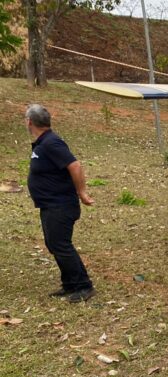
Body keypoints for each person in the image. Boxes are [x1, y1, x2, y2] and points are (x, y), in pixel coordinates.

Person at [25, 104, 96, 302]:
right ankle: (70, 284)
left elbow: (75, 165)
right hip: (50, 204)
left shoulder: (51, 143)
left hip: (60, 205)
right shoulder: (44, 143)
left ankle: (84, 286)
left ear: (29, 122)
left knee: (61, 245)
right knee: (54, 244)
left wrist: (82, 192)